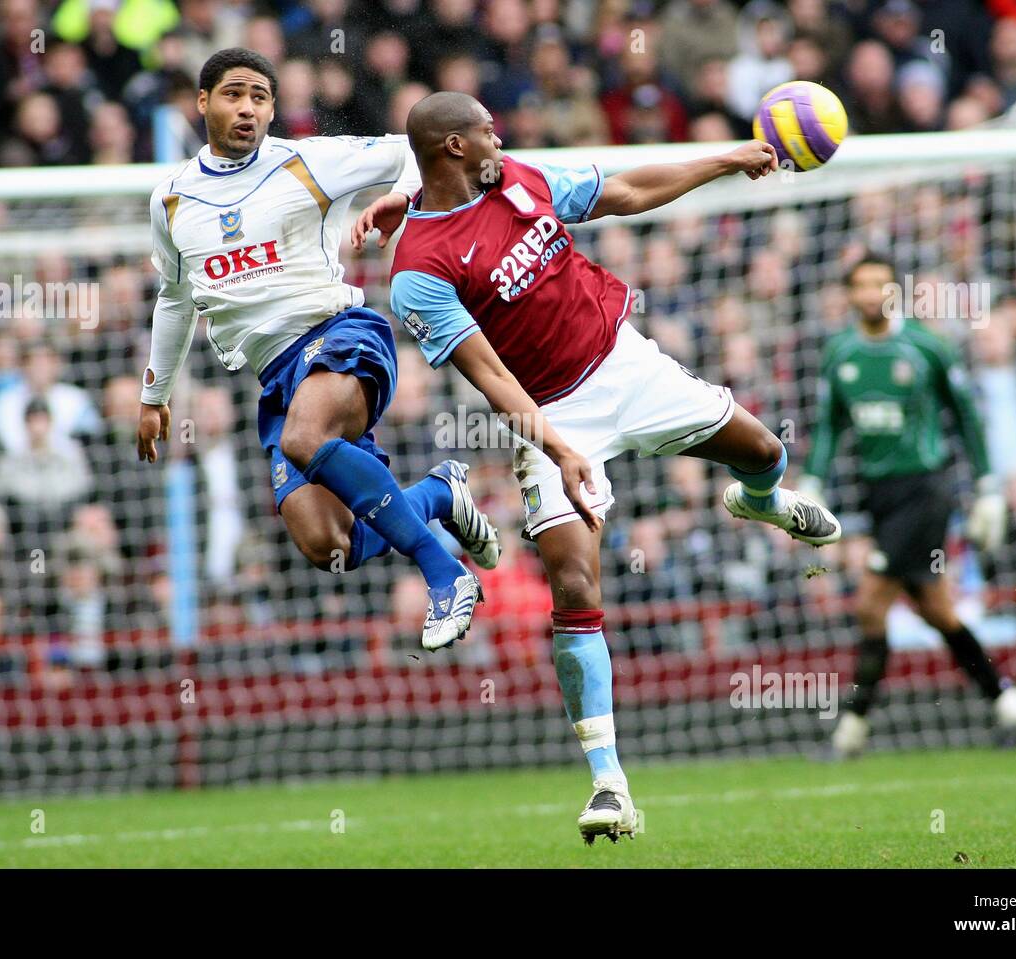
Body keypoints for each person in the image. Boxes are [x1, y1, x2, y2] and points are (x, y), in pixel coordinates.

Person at [353, 91, 840, 844]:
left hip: (625, 364)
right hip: (550, 412)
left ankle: (761, 501)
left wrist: (726, 158)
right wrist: (557, 447)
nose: (500, 133)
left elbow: (624, 191)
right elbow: (490, 378)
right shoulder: (418, 271)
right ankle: (609, 781)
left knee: (767, 453)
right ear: (453, 146)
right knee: (574, 582)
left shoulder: (518, 177)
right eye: (487, 127)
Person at [135, 49, 500, 652]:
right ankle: (439, 493)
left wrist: (402, 199)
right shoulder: (170, 202)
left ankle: (446, 574)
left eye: (259, 96)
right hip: (277, 378)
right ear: (202, 102)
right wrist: (154, 396)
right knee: (333, 545)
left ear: (274, 109)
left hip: (341, 334)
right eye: (233, 94)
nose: (247, 107)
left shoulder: (309, 161)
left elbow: (414, 149)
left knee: (307, 438)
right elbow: (175, 301)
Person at [799, 252, 1016, 757]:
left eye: (880, 285)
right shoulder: (839, 353)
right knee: (936, 610)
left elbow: (967, 419)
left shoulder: (927, 348)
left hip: (926, 489)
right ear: (849, 295)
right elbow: (829, 425)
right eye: (861, 285)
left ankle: (852, 730)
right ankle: (1009, 702)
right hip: (878, 493)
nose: (871, 294)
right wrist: (813, 480)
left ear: (895, 293)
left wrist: (988, 486)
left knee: (870, 603)